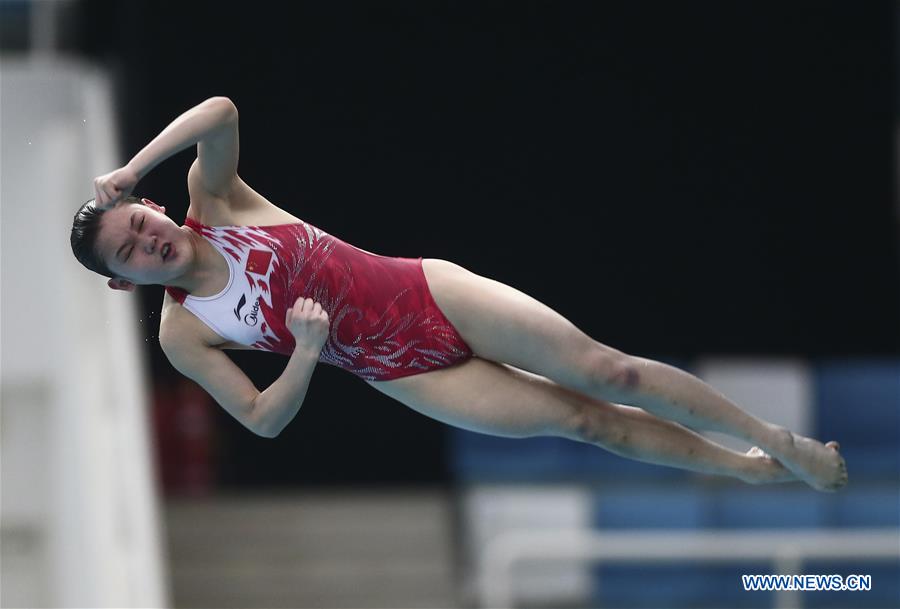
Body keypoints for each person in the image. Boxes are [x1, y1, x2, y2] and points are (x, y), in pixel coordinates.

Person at [71, 97, 847, 492]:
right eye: (131, 253)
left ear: (153, 205)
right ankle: (742, 469)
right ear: (123, 281)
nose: (148, 241)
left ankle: (774, 441)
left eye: (139, 222)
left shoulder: (215, 197)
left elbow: (222, 111)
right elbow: (261, 420)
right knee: (585, 423)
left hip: (428, 291)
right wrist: (306, 354)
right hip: (403, 371)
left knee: (609, 372)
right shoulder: (184, 333)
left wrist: (132, 167)